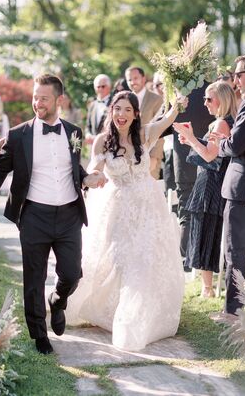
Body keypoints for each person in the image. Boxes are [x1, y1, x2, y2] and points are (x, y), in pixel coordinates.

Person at [0, 74, 107, 355]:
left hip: (69, 215)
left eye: (44, 98)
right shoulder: (18, 134)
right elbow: (0, 170)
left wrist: (87, 178)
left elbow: (73, 169)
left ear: (59, 100)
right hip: (34, 214)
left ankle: (58, 301)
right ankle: (39, 335)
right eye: (35, 97)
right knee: (33, 277)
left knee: (72, 273)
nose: (37, 102)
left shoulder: (73, 132)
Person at [66, 91, 186, 351]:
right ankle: (111, 310)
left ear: (135, 114)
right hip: (118, 208)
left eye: (127, 110)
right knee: (118, 260)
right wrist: (91, 179)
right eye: (117, 109)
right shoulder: (102, 142)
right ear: (111, 111)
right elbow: (93, 171)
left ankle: (138, 315)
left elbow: (167, 119)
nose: (121, 115)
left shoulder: (144, 134)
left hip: (148, 209)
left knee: (144, 261)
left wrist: (179, 99)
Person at [173, 82, 237, 297]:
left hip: (212, 185)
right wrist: (193, 141)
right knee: (208, 233)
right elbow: (213, 152)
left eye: (209, 99)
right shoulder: (227, 122)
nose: (205, 103)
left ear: (222, 99)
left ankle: (207, 289)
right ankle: (208, 287)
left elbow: (209, 156)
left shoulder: (220, 123)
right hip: (216, 183)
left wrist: (191, 138)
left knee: (205, 234)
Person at [212, 54, 245, 319]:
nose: (235, 79)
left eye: (239, 73)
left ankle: (234, 311)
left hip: (243, 188)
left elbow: (237, 145)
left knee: (235, 251)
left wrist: (221, 143)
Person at [125, 66, 163, 179]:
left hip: (149, 154)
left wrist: (155, 157)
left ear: (143, 78)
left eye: (135, 78)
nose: (132, 82)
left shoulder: (156, 99)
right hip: (128, 156)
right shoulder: (124, 100)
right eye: (129, 79)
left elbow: (160, 130)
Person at [85, 74, 112, 144]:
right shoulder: (92, 105)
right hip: (94, 146)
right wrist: (88, 135)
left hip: (110, 144)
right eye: (98, 87)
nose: (100, 89)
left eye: (103, 86)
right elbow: (88, 125)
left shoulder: (115, 103)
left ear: (109, 87)